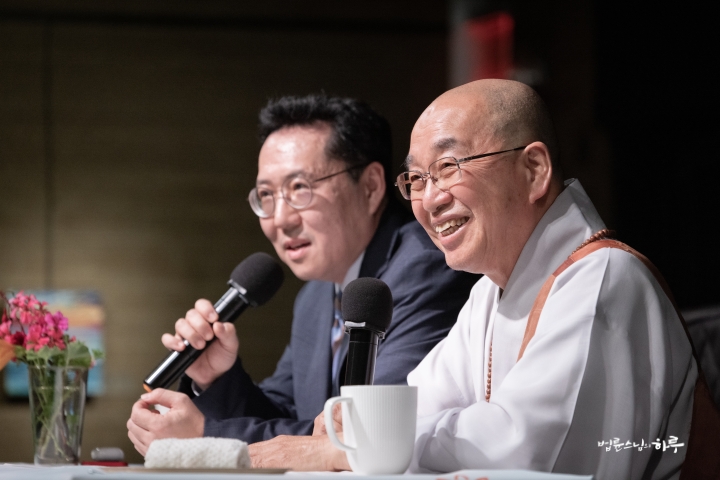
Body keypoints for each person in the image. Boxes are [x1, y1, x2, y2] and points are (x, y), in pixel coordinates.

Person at [270, 80, 710, 477]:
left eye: (448, 167)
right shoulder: (488, 291)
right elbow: (413, 405)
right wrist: (358, 432)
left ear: (533, 170)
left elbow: (523, 448)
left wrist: (364, 444)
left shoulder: (604, 276)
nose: (430, 199)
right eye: (417, 178)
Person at [126, 94, 479, 457]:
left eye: (299, 189)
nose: (280, 219)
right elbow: (288, 415)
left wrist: (207, 437)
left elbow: (369, 431)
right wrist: (215, 376)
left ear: (371, 187)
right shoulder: (315, 295)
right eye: (266, 195)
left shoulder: (425, 268)